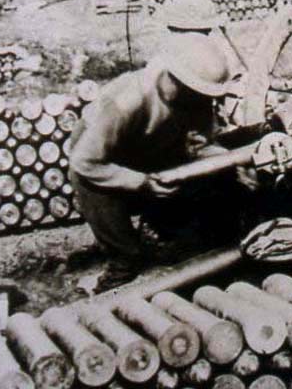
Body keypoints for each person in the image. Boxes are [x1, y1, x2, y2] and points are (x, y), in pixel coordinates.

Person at [69, 32, 241, 290]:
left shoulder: (195, 99)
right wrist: (140, 182)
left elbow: (200, 144)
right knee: (125, 249)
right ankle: (119, 264)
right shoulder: (128, 100)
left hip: (149, 149)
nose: (203, 101)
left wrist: (231, 162)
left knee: (211, 193)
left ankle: (168, 230)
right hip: (100, 160)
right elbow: (85, 161)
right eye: (196, 92)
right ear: (174, 78)